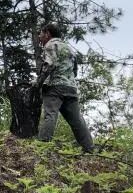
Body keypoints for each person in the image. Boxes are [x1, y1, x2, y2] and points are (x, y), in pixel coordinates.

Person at [35, 22, 94, 153]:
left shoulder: (50, 45)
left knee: (50, 115)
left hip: (55, 87)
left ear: (48, 34)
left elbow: (49, 65)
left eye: (41, 33)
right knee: (77, 120)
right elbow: (75, 70)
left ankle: (42, 147)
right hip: (71, 88)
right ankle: (90, 149)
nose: (39, 36)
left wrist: (38, 83)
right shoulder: (69, 48)